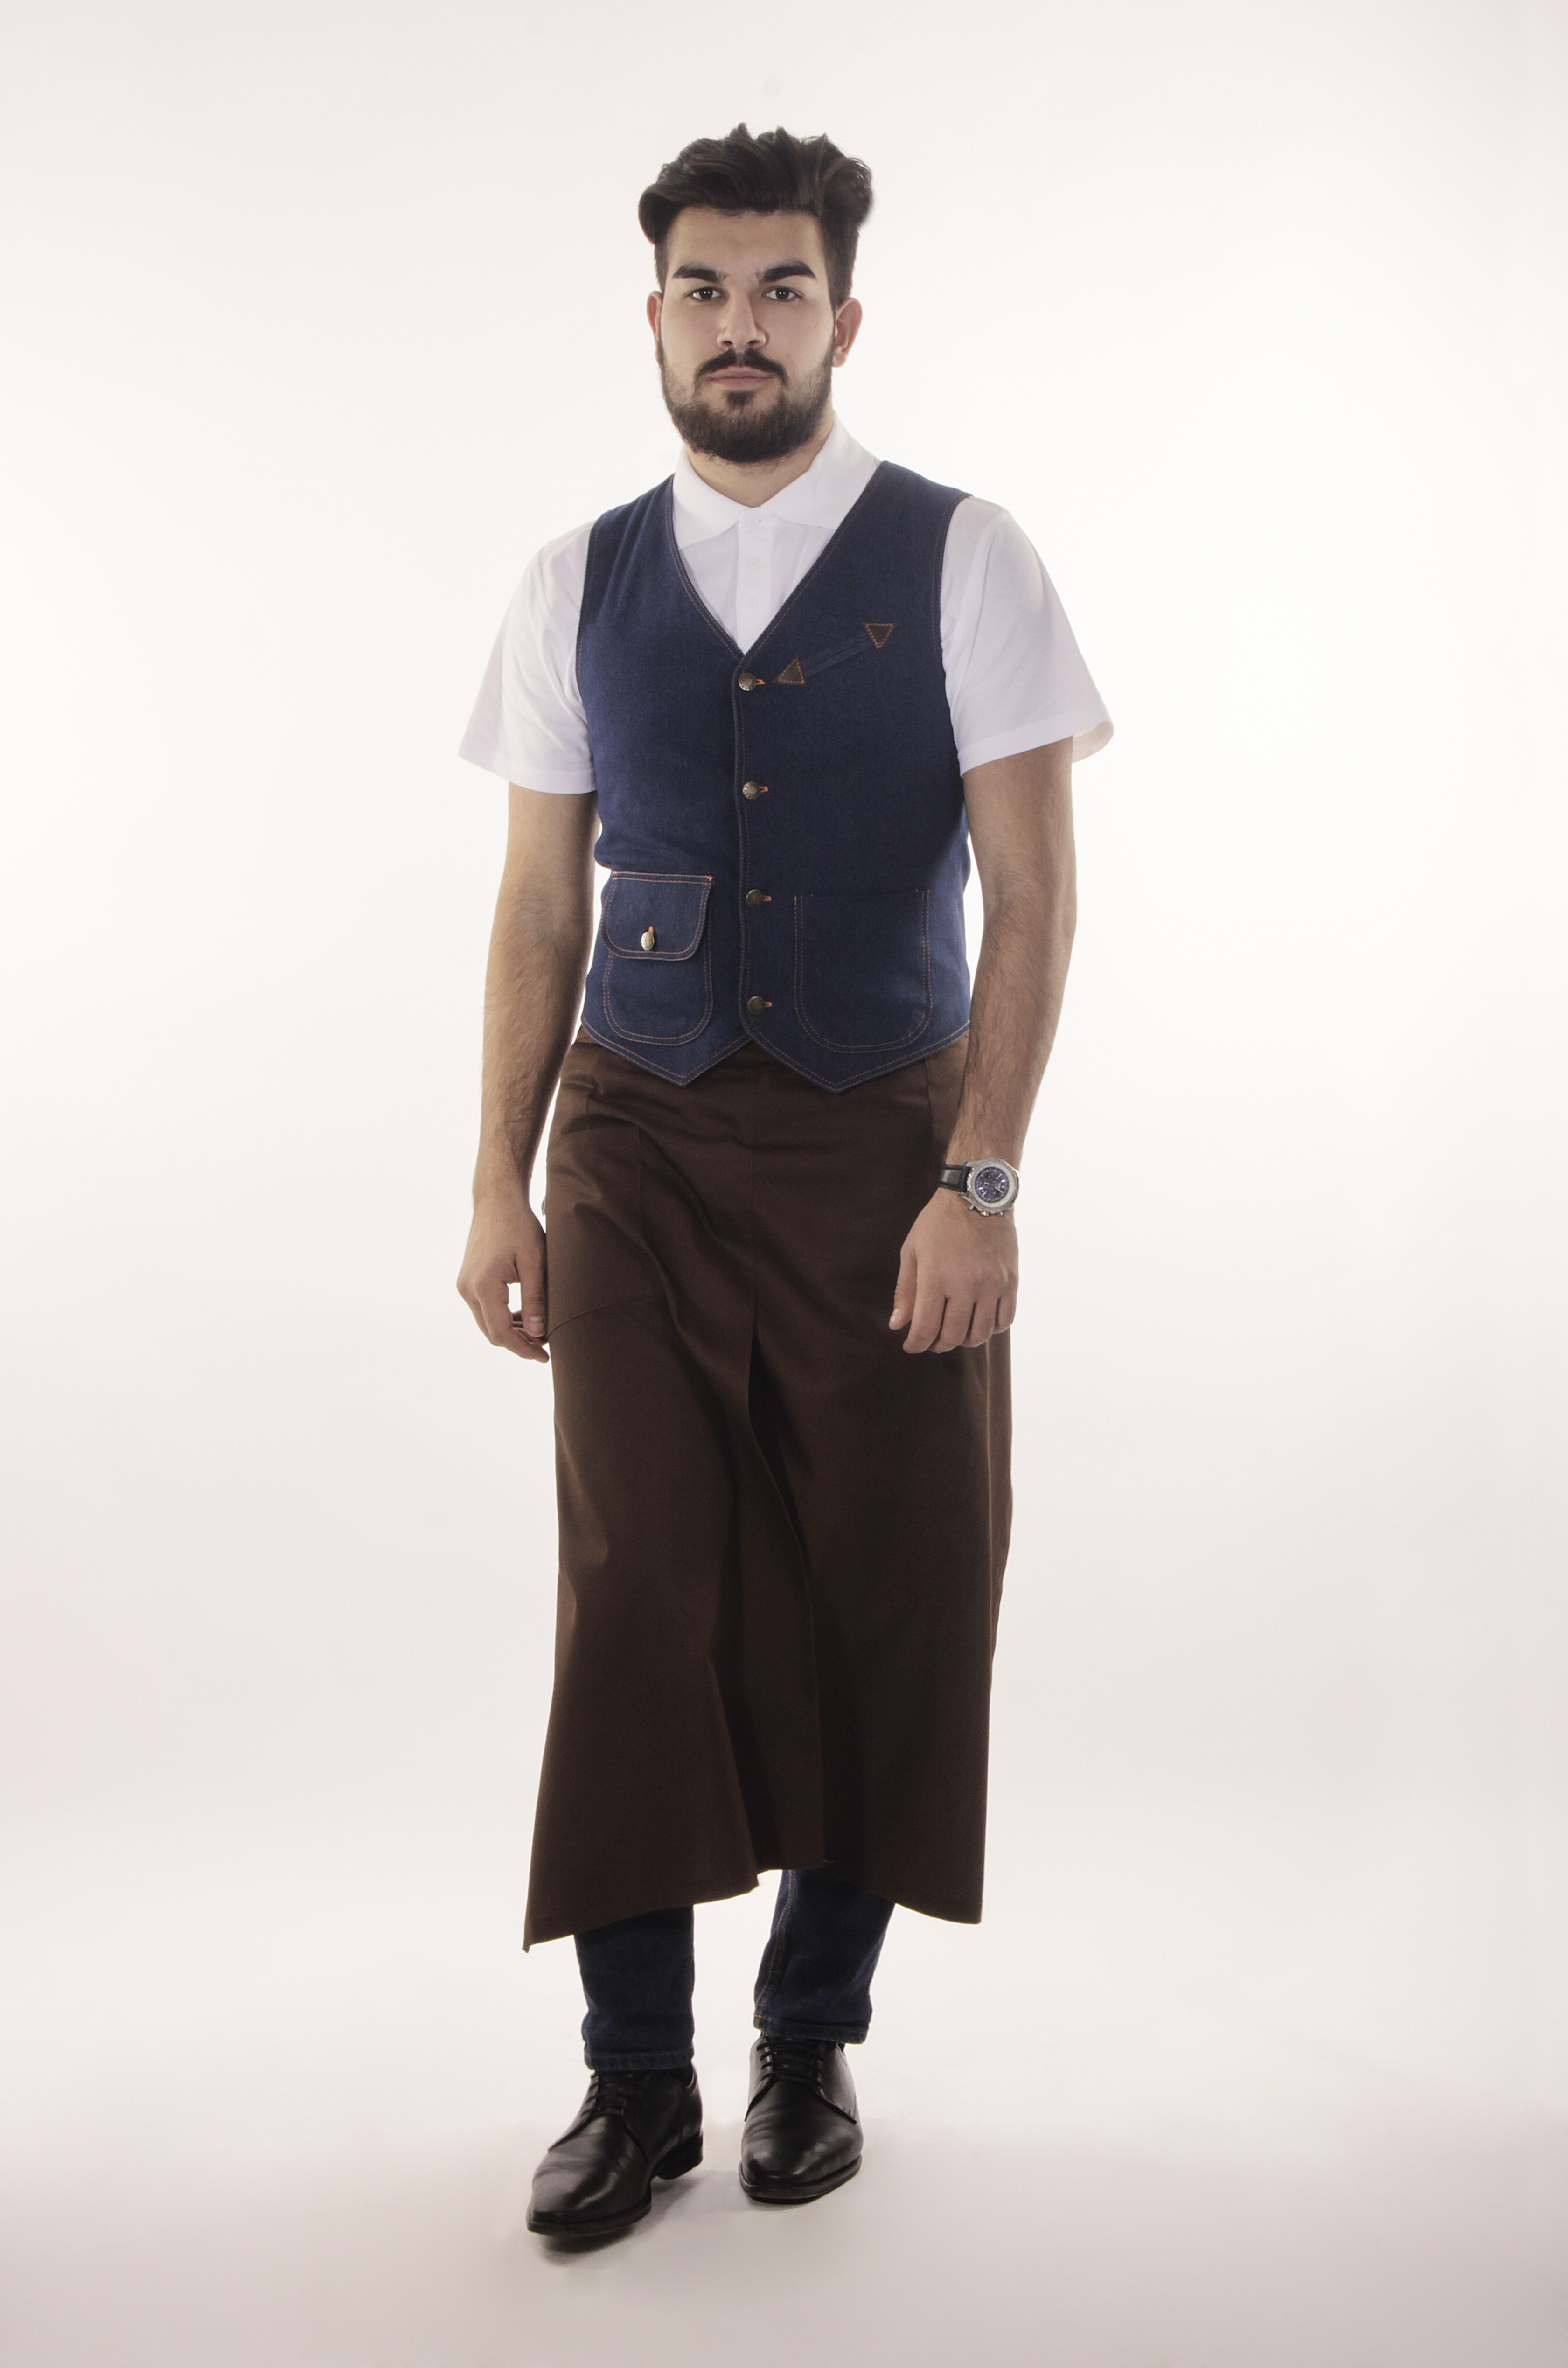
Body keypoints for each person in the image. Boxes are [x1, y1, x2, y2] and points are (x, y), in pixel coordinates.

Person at [456, 123, 1111, 2240]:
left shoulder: (965, 557)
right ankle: (632, 2078)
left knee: (893, 1574)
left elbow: (1031, 897)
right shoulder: (574, 579)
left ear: (843, 317)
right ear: (654, 316)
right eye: (706, 291)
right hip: (632, 1142)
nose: (741, 327)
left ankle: (808, 2038)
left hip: (883, 1143)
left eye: (781, 291)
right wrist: (497, 1181)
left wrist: (979, 1181)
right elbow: (538, 902)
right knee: (638, 1584)